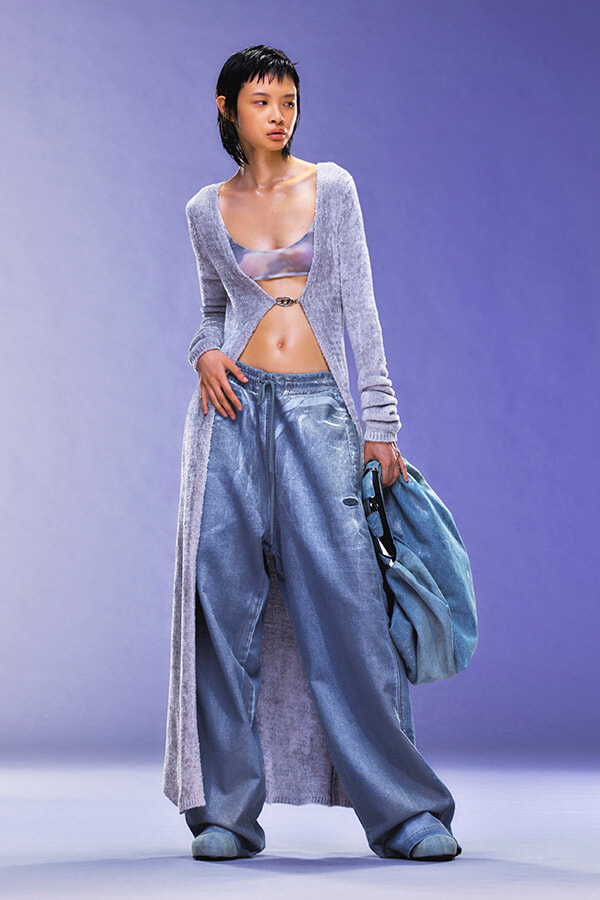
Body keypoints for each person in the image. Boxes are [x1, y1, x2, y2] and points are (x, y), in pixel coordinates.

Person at [163, 44, 461, 863]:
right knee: (223, 608)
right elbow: (213, 309)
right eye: (262, 100)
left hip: (316, 412)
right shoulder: (203, 209)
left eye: (289, 100)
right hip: (229, 418)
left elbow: (360, 305)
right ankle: (227, 812)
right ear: (226, 108)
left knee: (349, 606)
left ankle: (405, 810)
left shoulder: (333, 188)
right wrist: (202, 353)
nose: (279, 114)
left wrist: (381, 420)